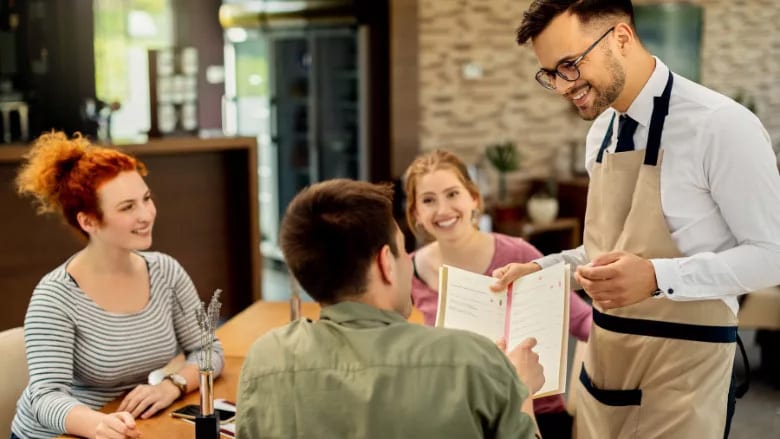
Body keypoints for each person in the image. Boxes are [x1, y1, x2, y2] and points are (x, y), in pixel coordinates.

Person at [491, 1, 780, 438]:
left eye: (569, 65)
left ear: (621, 38)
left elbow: (771, 255)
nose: (562, 86)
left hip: (685, 373)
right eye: (550, 73)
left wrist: (655, 276)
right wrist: (543, 270)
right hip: (604, 364)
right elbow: (604, 250)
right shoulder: (600, 133)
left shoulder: (722, 126)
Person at [235, 179, 545, 438]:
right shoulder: (473, 360)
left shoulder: (265, 361)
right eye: (401, 250)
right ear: (385, 262)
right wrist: (521, 390)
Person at [11, 132, 225, 439]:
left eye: (146, 199)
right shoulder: (55, 296)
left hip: (127, 424)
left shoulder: (166, 272)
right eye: (127, 207)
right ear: (88, 222)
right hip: (60, 434)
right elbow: (46, 396)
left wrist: (172, 385)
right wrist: (96, 423)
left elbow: (207, 351)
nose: (146, 215)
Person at [404, 149, 593, 438]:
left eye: (453, 194)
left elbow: (584, 322)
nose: (442, 210)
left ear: (474, 199)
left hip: (538, 417)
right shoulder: (408, 271)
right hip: (460, 421)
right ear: (416, 213)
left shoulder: (518, 255)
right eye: (428, 200)